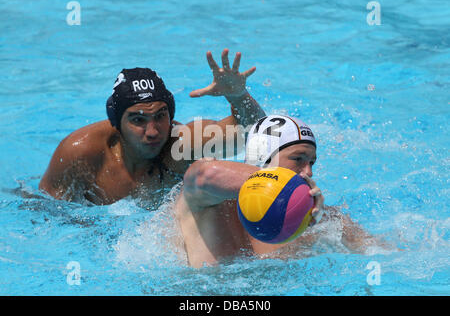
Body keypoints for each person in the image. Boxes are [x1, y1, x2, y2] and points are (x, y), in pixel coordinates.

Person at [39, 49, 265, 205]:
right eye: (138, 120)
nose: (153, 131)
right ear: (117, 123)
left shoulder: (184, 144)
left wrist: (238, 97)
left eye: (160, 116)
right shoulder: (81, 153)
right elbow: (45, 210)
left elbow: (256, 133)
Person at [174, 115, 389, 268]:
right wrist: (279, 186)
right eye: (298, 159)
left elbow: (387, 257)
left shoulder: (316, 217)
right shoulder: (210, 202)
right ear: (263, 157)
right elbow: (204, 175)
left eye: (312, 162)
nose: (308, 171)